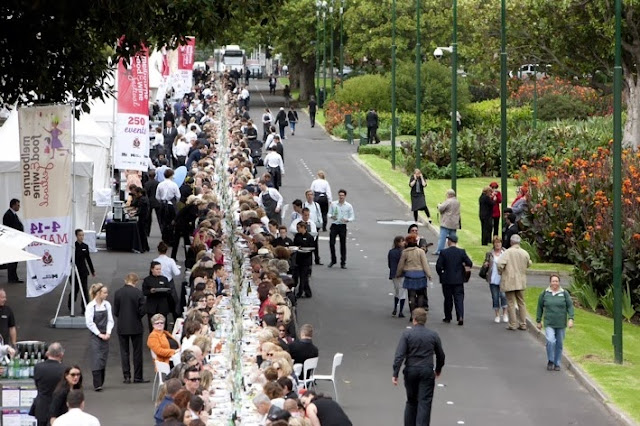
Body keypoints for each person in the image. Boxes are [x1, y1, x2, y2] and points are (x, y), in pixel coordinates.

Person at [392, 308, 445, 426]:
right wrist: (438, 369)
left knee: (411, 401)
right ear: (425, 320)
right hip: (426, 370)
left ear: (414, 319)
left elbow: (400, 355)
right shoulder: (433, 335)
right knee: (424, 402)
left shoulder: (407, 334)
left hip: (411, 370)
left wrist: (395, 373)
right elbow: (441, 355)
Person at [113, 273, 147, 384]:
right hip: (136, 325)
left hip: (122, 326)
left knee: (124, 352)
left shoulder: (118, 293)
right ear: (136, 282)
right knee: (137, 352)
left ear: (125, 280)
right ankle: (138, 376)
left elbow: (116, 311)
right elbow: (142, 310)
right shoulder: (138, 293)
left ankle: (126, 376)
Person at [536, 274, 575, 371]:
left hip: (561, 323)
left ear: (559, 282)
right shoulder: (545, 293)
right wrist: (538, 320)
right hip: (549, 322)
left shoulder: (564, 293)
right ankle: (551, 360)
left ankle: (557, 363)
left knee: (559, 343)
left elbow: (570, 306)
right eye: (553, 281)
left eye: (556, 281)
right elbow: (540, 307)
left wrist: (571, 318)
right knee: (551, 341)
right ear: (550, 282)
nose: (555, 283)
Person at [497, 234, 532, 331]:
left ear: (511, 242)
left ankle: (512, 324)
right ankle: (523, 323)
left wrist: (501, 272)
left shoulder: (507, 252)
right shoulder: (524, 253)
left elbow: (500, 264)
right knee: (521, 302)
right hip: (521, 280)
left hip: (510, 280)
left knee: (511, 302)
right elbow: (529, 263)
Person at [435, 235, 472, 326]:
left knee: (448, 299)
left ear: (450, 241)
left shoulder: (444, 252)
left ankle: (448, 317)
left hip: (447, 279)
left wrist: (441, 274)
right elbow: (469, 263)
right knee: (459, 298)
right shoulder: (461, 252)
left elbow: (438, 266)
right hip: (459, 279)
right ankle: (460, 316)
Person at [85, 283, 114, 391]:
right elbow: (89, 323)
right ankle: (97, 383)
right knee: (96, 357)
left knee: (103, 357)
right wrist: (99, 334)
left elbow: (110, 320)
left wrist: (108, 332)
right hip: (95, 335)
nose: (106, 294)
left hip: (105, 333)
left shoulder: (107, 305)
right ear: (98, 293)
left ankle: (101, 380)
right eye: (104, 292)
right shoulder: (90, 306)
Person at [396, 234, 432, 319]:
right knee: (420, 295)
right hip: (420, 275)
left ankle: (412, 314)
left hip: (409, 275)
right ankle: (418, 314)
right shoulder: (420, 251)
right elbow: (425, 264)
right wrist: (429, 275)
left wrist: (398, 273)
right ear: (416, 242)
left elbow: (401, 265)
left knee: (411, 295)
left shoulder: (405, 252)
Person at [32, 342, 66, 426]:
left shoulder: (38, 367)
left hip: (42, 407)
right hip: (59, 408)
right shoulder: (65, 369)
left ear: (47, 353)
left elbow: (37, 385)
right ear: (61, 355)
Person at [483, 236, 508, 323]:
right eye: (496, 243)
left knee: (504, 296)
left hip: (503, 278)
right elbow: (485, 263)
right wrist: (485, 265)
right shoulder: (490, 253)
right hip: (493, 278)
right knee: (495, 297)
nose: (497, 244)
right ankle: (497, 315)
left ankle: (505, 314)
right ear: (494, 244)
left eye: (499, 243)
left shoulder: (505, 252)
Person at [69, 229, 95, 315]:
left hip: (83, 272)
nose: (81, 237)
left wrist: (92, 270)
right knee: (75, 290)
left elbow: (88, 259)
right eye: (80, 235)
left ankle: (85, 308)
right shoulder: (73, 246)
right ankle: (70, 304)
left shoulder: (85, 246)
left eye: (83, 235)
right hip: (74, 272)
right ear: (76, 236)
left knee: (84, 290)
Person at [143, 261, 174, 332]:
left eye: (160, 269)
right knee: (152, 326)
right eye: (157, 269)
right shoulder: (147, 280)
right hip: (152, 307)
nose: (159, 271)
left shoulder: (164, 279)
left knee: (164, 326)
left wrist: (166, 290)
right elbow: (144, 292)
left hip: (162, 306)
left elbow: (169, 291)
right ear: (152, 269)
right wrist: (151, 291)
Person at [328, 189, 355, 269]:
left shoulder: (348, 206)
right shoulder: (334, 204)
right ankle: (333, 260)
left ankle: (343, 262)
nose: (341, 197)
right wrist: (331, 216)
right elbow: (329, 213)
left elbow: (352, 216)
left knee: (343, 244)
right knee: (332, 243)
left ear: (345, 196)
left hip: (342, 226)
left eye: (342, 195)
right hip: (334, 225)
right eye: (340, 195)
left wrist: (348, 220)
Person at [3, 199, 24, 283]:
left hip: (16, 240)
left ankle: (14, 277)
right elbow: (9, 228)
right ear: (13, 205)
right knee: (12, 260)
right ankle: (11, 278)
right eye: (18, 205)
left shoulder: (13, 214)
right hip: (11, 241)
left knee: (15, 260)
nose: (19, 207)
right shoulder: (8, 215)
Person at [293, 222, 315, 299]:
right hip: (299, 258)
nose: (297, 229)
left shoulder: (310, 237)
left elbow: (312, 247)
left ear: (303, 228)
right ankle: (308, 292)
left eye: (298, 227)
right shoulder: (297, 236)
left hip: (306, 259)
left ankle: (300, 292)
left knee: (303, 277)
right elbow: (295, 244)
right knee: (300, 276)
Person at [434, 189, 460, 255]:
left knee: (442, 238)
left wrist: (439, 205)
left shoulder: (448, 201)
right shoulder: (457, 202)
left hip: (446, 222)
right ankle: (453, 250)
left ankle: (439, 250)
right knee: (453, 238)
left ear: (449, 195)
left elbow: (441, 208)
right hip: (454, 223)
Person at [388, 236, 407, 318]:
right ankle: (401, 311)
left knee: (397, 291)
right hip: (402, 274)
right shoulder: (403, 252)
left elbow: (389, 264)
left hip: (394, 274)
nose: (404, 243)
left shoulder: (391, 252)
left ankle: (395, 308)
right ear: (398, 242)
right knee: (403, 292)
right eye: (402, 241)